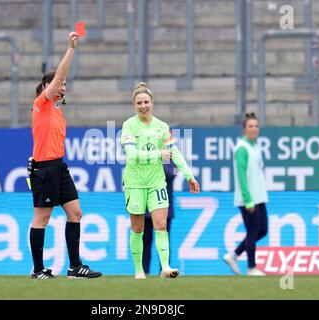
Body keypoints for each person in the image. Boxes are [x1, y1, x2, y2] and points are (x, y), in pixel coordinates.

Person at [28, 31, 102, 279]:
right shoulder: (42, 104)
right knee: (42, 218)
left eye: (65, 85)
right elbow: (59, 75)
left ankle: (74, 266)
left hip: (59, 167)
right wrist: (71, 49)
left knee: (75, 213)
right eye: (61, 85)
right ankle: (38, 270)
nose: (63, 87)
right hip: (44, 168)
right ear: (49, 87)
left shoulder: (57, 111)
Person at [120, 82, 200, 279]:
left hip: (157, 182)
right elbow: (131, 154)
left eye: (146, 101)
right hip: (135, 183)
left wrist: (189, 176)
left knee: (161, 225)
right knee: (138, 228)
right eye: (139, 102)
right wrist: (158, 153)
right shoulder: (129, 125)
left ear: (152, 103)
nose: (143, 105)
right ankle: (139, 270)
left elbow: (175, 153)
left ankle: (165, 267)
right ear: (134, 104)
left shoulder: (162, 127)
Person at [223, 112, 268, 276]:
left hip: (259, 197)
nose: (254, 129)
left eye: (256, 126)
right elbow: (241, 176)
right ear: (244, 130)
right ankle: (251, 267)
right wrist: (248, 200)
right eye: (250, 126)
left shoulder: (254, 147)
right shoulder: (241, 148)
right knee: (253, 231)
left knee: (262, 230)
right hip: (249, 199)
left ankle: (233, 255)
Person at [143, 161, 176, 274]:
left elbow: (169, 173)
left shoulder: (167, 155)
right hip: (146, 207)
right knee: (145, 242)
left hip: (164, 207)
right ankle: (143, 272)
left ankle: (165, 270)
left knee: (163, 241)